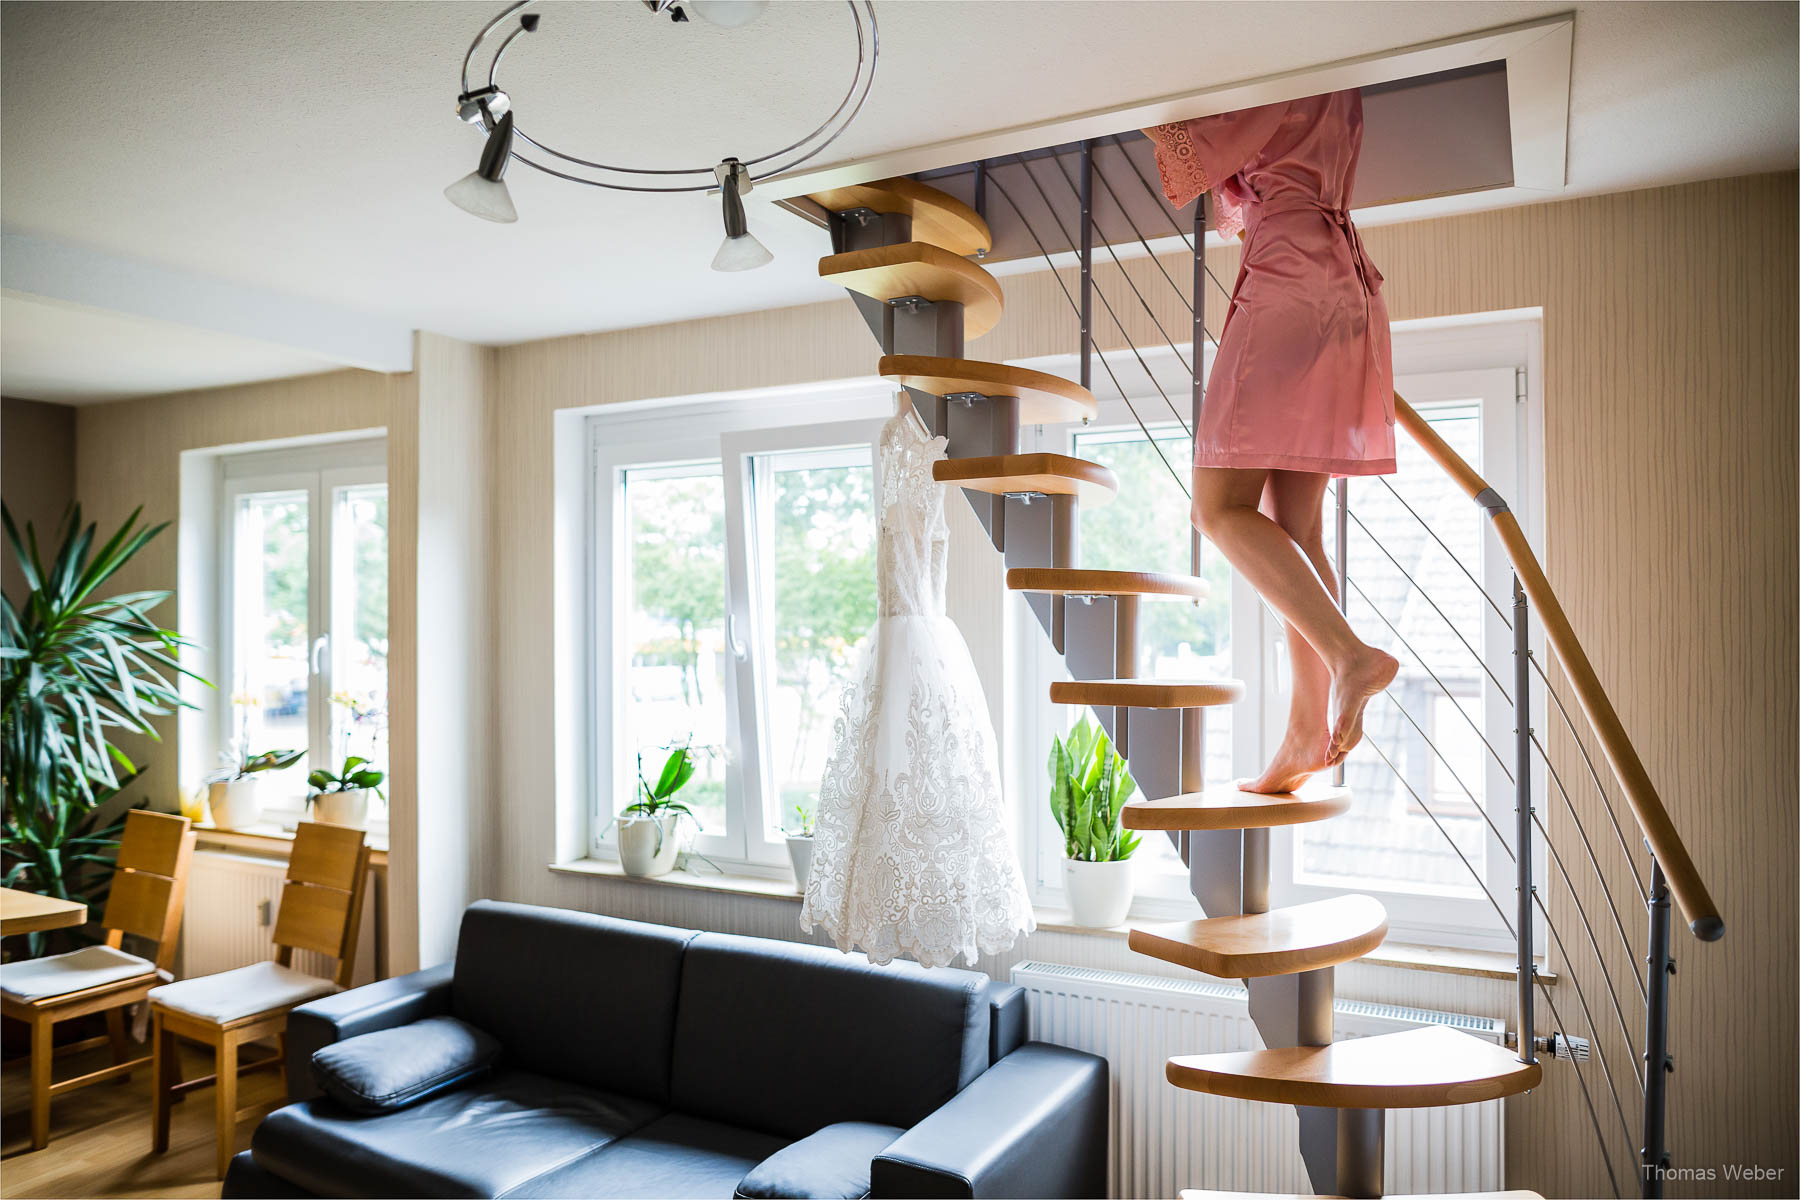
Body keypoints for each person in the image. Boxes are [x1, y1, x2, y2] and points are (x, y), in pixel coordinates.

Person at [1144, 89, 1398, 793]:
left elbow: (1184, 157)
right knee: (1299, 530)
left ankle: (1350, 656)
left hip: (1291, 278)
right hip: (1344, 283)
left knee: (1218, 509)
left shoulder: (1272, 62)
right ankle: (1303, 735)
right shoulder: (1330, 79)